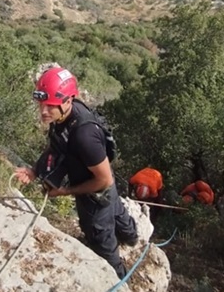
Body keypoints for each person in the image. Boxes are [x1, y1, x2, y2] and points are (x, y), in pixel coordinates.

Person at [14, 67, 138, 279]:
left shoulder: (84, 135)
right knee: (117, 210)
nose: (43, 111)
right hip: (99, 177)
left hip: (94, 192)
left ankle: (119, 279)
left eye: (50, 105)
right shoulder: (64, 116)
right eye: (41, 104)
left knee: (101, 241)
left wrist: (65, 191)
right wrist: (35, 171)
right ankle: (132, 237)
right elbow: (56, 145)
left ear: (68, 101)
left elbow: (104, 180)